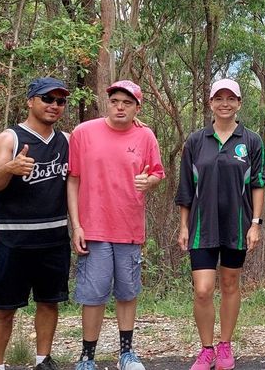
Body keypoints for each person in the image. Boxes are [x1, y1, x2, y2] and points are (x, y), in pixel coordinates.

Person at [68, 80, 165, 370]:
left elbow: (158, 173)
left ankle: (127, 353)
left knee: (127, 292)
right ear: (107, 103)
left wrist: (149, 181)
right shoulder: (84, 133)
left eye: (127, 102)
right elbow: (73, 179)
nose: (120, 107)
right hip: (94, 226)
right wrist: (77, 225)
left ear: (137, 107)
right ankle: (87, 357)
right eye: (115, 101)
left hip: (129, 227)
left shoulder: (146, 136)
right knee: (94, 294)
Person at [0, 77, 72, 370]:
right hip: (12, 239)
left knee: (49, 302)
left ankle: (43, 360)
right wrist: (9, 168)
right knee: (3, 308)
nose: (54, 106)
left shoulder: (67, 140)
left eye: (60, 101)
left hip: (54, 236)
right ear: (31, 101)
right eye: (47, 99)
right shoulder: (9, 139)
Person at [176, 78, 265, 370]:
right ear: (210, 103)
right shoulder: (195, 141)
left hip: (237, 225)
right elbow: (185, 188)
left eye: (231, 98)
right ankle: (206, 349)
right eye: (219, 98)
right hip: (202, 226)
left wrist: (255, 223)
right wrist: (183, 225)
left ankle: (225, 345)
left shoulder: (250, 140)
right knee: (203, 289)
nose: (224, 103)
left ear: (239, 103)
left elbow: (257, 184)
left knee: (230, 284)